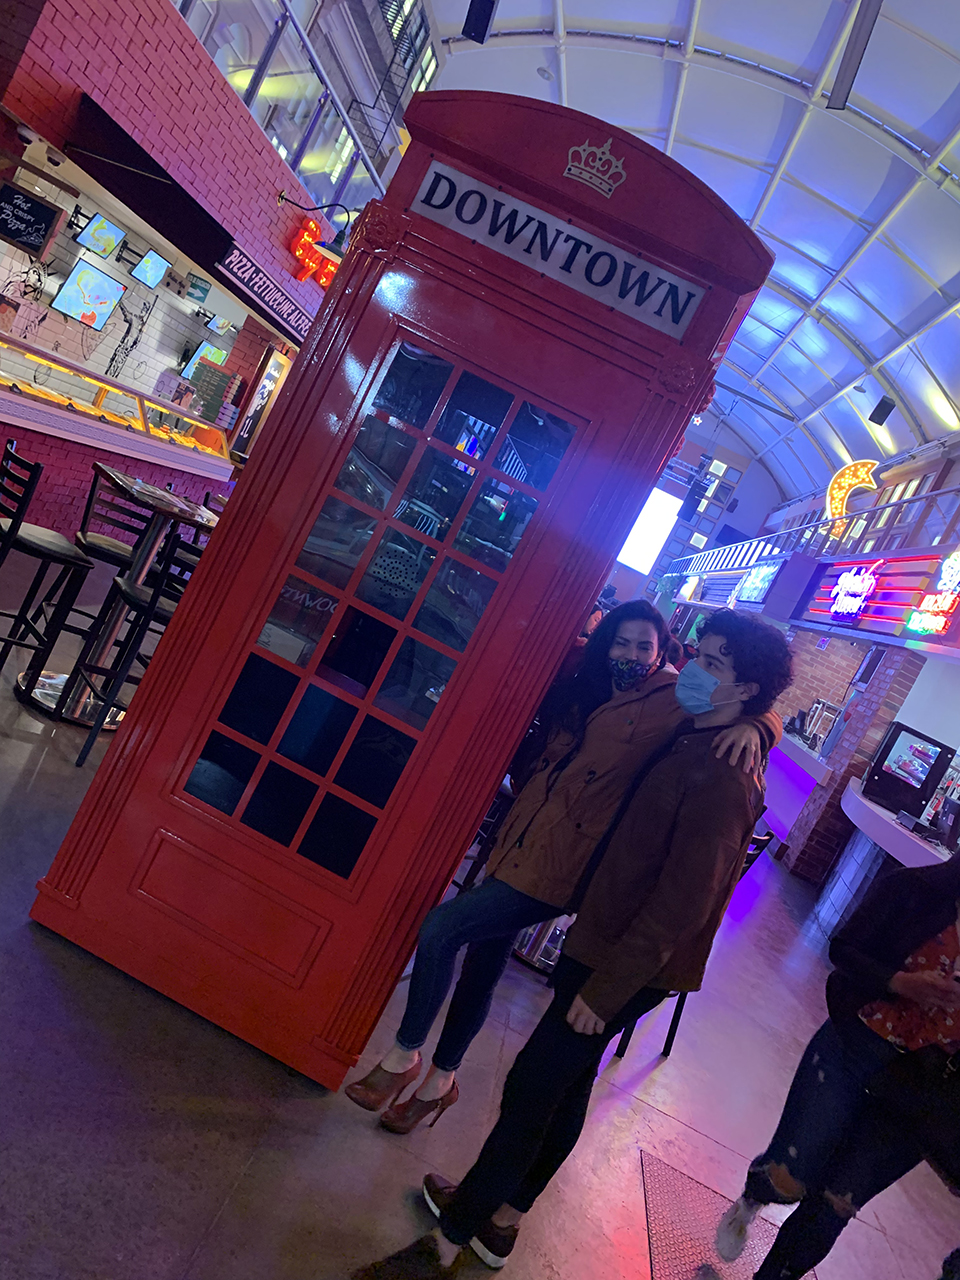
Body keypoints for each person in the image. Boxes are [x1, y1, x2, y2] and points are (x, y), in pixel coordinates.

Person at [350, 609, 794, 1278]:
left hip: (622, 963)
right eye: (698, 656)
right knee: (563, 1088)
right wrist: (759, 724)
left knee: (532, 1088)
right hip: (601, 938)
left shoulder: (724, 774)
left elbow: (685, 903)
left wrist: (606, 989)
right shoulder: (698, 735)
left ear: (746, 689)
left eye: (713, 665)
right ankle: (501, 1222)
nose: (694, 672)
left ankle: (451, 1236)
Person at [713, 853, 960, 1280]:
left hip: (924, 1089)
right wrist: (899, 982)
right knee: (789, 1174)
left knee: (834, 1207)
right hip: (854, 1046)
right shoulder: (912, 889)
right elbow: (844, 948)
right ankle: (754, 1197)